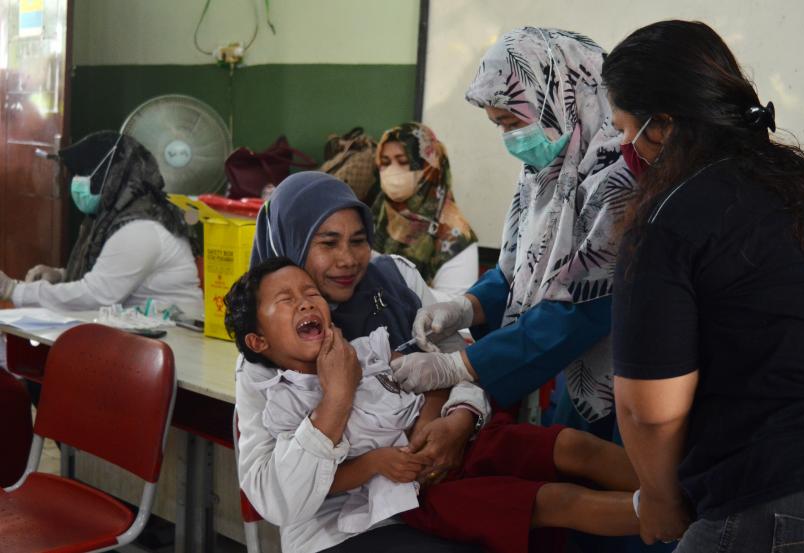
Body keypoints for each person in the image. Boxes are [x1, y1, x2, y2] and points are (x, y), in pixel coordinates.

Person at [226, 256, 641, 553]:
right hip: (419, 490)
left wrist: (439, 418)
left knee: (571, 445)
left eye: (309, 292)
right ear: (258, 342)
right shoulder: (278, 399)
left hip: (461, 441)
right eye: (285, 300)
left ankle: (677, 488)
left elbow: (433, 379)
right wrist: (371, 457)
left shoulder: (363, 351)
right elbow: (308, 483)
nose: (304, 301)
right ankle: (672, 514)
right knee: (554, 502)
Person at [604, 20, 804, 551]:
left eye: (621, 128)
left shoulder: (668, 218)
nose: (621, 147)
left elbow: (650, 409)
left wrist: (659, 499)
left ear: (659, 126)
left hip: (777, 497)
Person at [390, 28, 635, 432]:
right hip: (558, 371)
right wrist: (465, 307)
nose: (509, 138)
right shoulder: (541, 174)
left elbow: (585, 306)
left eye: (511, 120)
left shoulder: (621, 179)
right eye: (497, 124)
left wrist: (459, 365)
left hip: (617, 381)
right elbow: (519, 271)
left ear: (557, 97)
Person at [238, 171, 487, 551]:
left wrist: (458, 418)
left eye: (358, 241)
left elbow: (465, 360)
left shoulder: (394, 280)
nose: (348, 259)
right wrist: (336, 401)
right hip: (336, 528)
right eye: (328, 243)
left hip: (435, 486)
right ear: (292, 244)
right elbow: (275, 499)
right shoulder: (266, 346)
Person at [0, 131, 202, 318]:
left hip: (173, 341)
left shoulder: (140, 228)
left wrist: (14, 290)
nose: (76, 181)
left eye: (85, 174)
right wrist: (61, 276)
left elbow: (97, 295)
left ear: (112, 175)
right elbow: (110, 273)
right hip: (141, 334)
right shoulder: (114, 217)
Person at [373, 122, 479, 301]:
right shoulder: (374, 215)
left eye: (403, 162)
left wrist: (390, 283)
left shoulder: (455, 237)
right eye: (385, 163)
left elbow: (455, 307)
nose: (392, 171)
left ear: (429, 167)